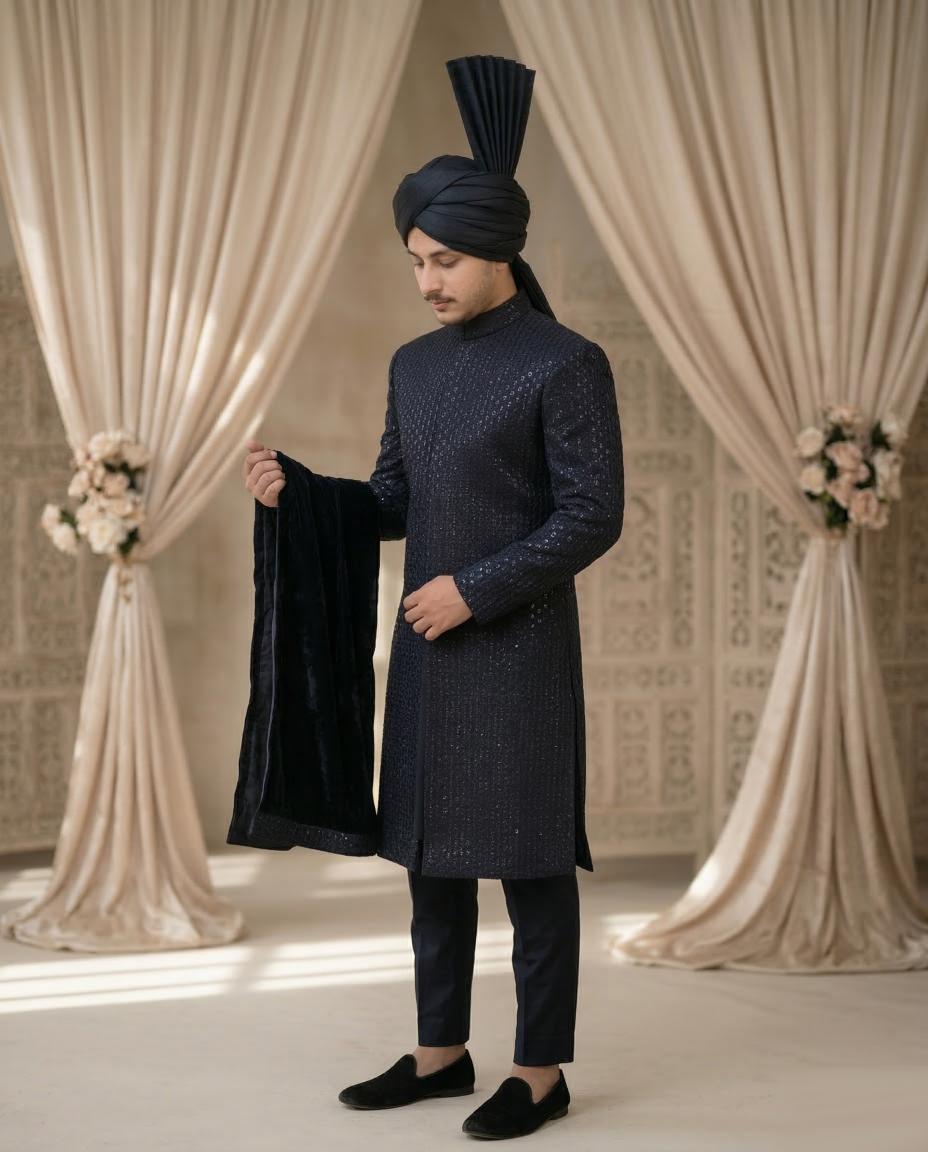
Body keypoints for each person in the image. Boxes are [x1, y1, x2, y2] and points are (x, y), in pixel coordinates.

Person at [242, 54, 623, 1141]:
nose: (427, 282)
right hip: (427, 648)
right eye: (415, 260)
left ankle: (540, 1073)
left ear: (497, 247)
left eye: (443, 259)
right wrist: (304, 495)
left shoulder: (565, 362)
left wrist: (474, 589)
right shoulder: (413, 365)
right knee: (429, 858)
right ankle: (439, 1053)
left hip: (518, 649)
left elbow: (591, 515)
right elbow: (395, 499)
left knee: (531, 865)